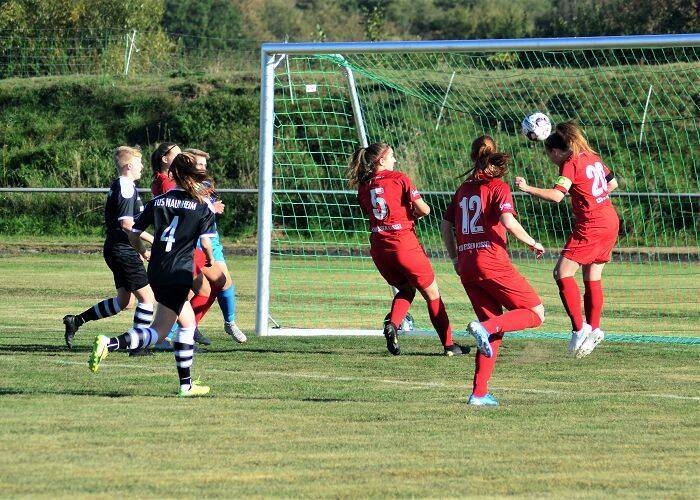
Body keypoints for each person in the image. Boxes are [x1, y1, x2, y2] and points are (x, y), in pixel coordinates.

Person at [89, 152, 218, 397]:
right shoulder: (202, 205)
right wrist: (210, 259)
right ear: (193, 176)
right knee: (159, 331)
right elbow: (206, 243)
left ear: (173, 174)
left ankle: (187, 385)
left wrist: (143, 251)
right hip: (180, 272)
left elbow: (133, 233)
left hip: (157, 270)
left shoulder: (158, 201)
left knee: (187, 323)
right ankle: (110, 343)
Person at [441, 136, 545, 406]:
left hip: (467, 266)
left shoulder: (463, 189)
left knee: (493, 330)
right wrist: (532, 242)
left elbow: (445, 226)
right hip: (492, 262)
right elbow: (508, 221)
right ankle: (484, 328)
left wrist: (454, 258)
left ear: (473, 157)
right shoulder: (498, 186)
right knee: (536, 313)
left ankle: (478, 394)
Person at [348, 142, 464, 356]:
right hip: (403, 244)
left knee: (406, 290)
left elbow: (376, 213)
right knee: (432, 295)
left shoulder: (363, 186)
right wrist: (412, 215)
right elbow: (425, 210)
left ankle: (393, 324)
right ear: (381, 160)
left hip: (380, 248)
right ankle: (449, 345)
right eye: (392, 156)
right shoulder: (399, 178)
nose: (395, 160)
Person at [515, 120, 619, 358]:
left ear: (555, 151)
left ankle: (579, 329)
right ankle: (594, 329)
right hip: (610, 219)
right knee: (592, 276)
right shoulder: (592, 156)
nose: (550, 159)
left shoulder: (570, 163)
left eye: (549, 155)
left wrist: (527, 188)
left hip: (592, 224)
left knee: (561, 273)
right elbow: (612, 183)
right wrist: (591, 195)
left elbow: (556, 196)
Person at [62, 146, 155, 350]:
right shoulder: (126, 186)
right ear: (129, 165)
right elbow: (127, 225)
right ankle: (137, 346)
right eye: (139, 162)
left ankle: (76, 321)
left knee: (125, 302)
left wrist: (141, 249)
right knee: (147, 298)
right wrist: (151, 241)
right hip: (123, 250)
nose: (142, 166)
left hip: (117, 248)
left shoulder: (121, 184)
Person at [149, 142, 213, 347]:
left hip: (167, 255)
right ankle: (175, 335)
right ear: (165, 159)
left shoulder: (161, 184)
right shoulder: (168, 186)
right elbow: (179, 213)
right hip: (181, 252)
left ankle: (180, 334)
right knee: (208, 288)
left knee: (198, 292)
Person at [184, 148, 247, 343]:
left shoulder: (206, 184)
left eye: (205, 164)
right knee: (202, 288)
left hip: (212, 239)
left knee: (222, 283)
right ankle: (178, 330)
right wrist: (212, 207)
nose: (203, 168)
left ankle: (227, 323)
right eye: (199, 164)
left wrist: (213, 207)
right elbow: (193, 208)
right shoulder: (184, 186)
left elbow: (206, 205)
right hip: (195, 242)